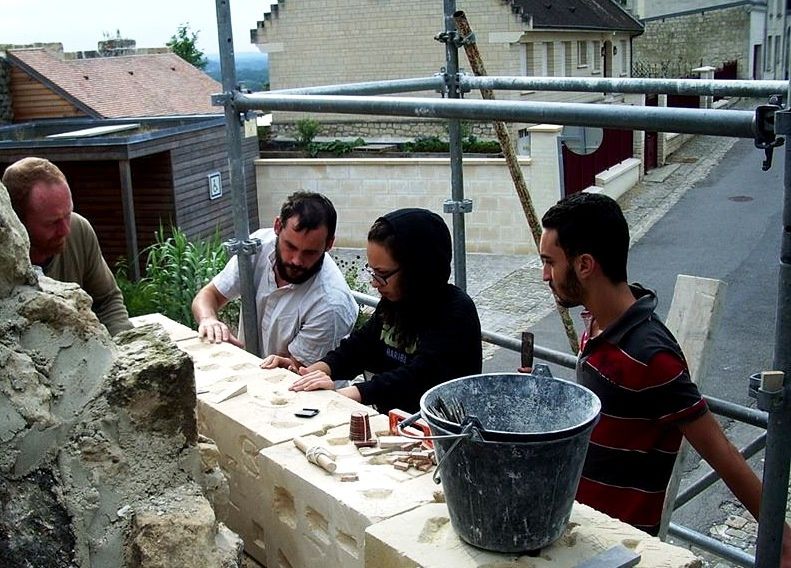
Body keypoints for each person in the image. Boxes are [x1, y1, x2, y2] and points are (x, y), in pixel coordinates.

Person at [535, 191, 791, 557]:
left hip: (618, 548)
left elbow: (720, 451)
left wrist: (783, 544)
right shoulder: (601, 325)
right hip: (580, 531)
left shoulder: (651, 354)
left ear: (585, 265)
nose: (545, 275)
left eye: (550, 262)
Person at [283, 208, 482, 414]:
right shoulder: (395, 301)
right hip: (395, 424)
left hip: (439, 433)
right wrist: (316, 370)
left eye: (382, 274)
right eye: (372, 271)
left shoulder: (455, 312)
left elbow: (420, 376)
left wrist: (352, 393)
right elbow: (361, 346)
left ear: (417, 272)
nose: (374, 283)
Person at [193, 191, 358, 367]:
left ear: (329, 244)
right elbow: (209, 295)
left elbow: (293, 368)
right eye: (290, 246)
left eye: (310, 252)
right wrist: (208, 319)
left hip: (299, 388)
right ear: (278, 226)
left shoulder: (331, 304)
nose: (296, 260)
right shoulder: (256, 247)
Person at [2, 157, 132, 336]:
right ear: (18, 223)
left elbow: (108, 301)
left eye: (68, 214)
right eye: (53, 223)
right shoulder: (5, 264)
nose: (65, 229)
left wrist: (124, 346)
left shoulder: (80, 230)